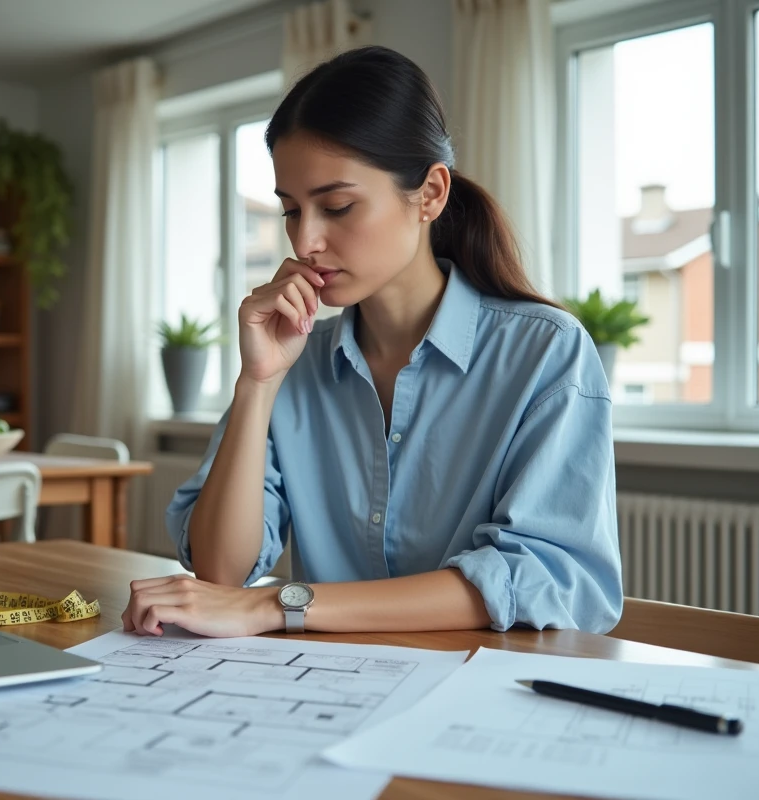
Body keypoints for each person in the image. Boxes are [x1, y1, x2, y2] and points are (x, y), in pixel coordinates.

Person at [122, 46, 622, 639]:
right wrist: (257, 384)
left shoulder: (546, 354)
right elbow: (220, 571)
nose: (305, 239)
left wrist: (276, 604)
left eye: (337, 206)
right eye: (290, 210)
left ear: (431, 194)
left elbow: (543, 573)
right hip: (327, 692)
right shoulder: (293, 361)